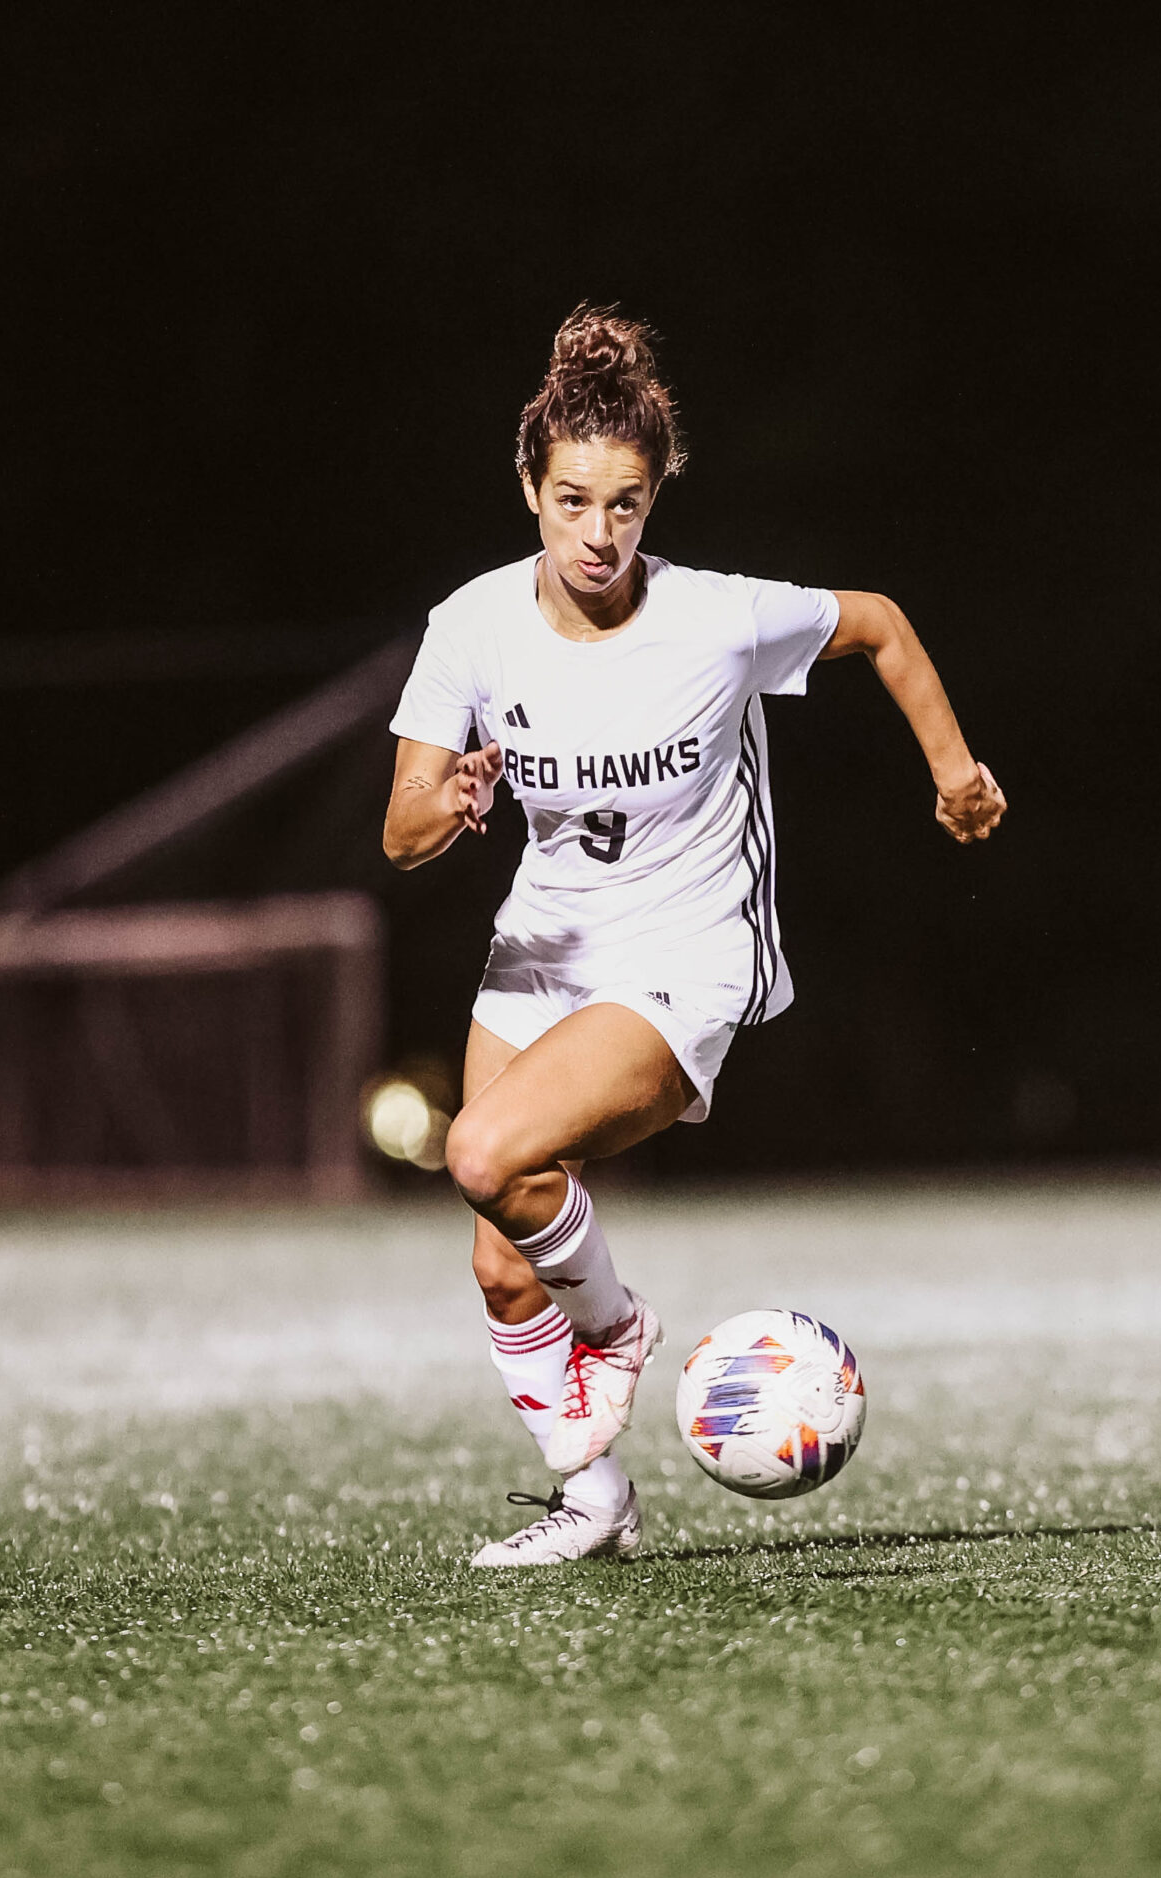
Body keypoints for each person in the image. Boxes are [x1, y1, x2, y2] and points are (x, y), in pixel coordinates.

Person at [383, 305, 1007, 1567]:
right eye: (571, 501)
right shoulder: (470, 628)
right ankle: (595, 1500)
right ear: (527, 488)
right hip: (536, 958)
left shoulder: (717, 618)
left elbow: (877, 619)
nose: (597, 532)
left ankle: (613, 1330)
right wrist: (446, 805)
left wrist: (954, 770)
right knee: (506, 1275)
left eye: (624, 503)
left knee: (485, 1151)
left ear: (657, 494)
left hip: (682, 961)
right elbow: (397, 835)